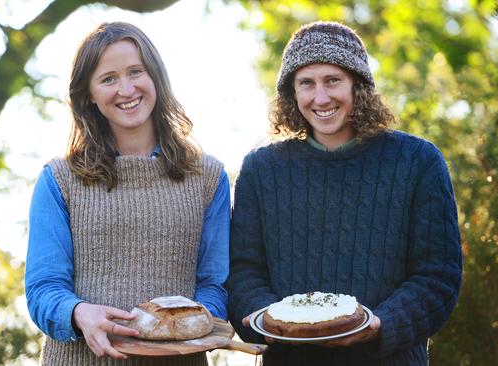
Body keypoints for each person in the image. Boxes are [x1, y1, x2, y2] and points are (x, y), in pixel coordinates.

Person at [226, 21, 462, 365]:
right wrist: (265, 317)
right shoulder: (262, 169)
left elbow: (437, 276)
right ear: (292, 93)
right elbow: (243, 271)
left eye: (332, 80)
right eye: (306, 83)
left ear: (358, 85)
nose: (321, 98)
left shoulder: (418, 161)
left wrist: (381, 325)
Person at [25, 22, 229, 366]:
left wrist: (184, 327)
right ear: (88, 94)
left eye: (136, 72)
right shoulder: (59, 180)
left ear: (156, 78)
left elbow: (215, 285)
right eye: (108, 79)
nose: (127, 88)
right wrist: (78, 313)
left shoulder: (208, 177)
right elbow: (43, 288)